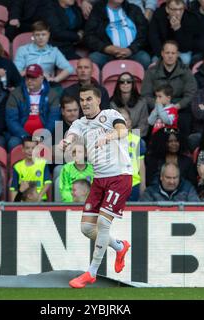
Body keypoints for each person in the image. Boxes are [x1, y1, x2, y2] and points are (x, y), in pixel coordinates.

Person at [59, 84, 132, 289]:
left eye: (89, 99)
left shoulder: (110, 114)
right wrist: (66, 142)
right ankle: (120, 246)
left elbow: (122, 130)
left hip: (119, 176)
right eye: (82, 100)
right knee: (87, 228)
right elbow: (72, 134)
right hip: (99, 180)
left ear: (98, 100)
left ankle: (91, 272)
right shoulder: (80, 123)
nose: (85, 103)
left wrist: (108, 136)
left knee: (102, 223)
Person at [141, 40, 197, 145]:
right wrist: (159, 107)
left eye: (173, 53)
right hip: (157, 107)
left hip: (179, 108)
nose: (170, 56)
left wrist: (177, 106)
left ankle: (183, 149)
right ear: (162, 53)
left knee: (185, 119)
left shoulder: (185, 71)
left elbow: (191, 93)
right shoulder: (152, 71)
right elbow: (145, 95)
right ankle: (152, 149)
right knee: (149, 119)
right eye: (167, 53)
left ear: (177, 55)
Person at [6, 63, 61, 151]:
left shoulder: (52, 94)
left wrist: (42, 136)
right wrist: (25, 136)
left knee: (52, 144)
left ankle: (44, 165)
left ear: (42, 78)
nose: (30, 81)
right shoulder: (15, 94)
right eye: (28, 77)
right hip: (21, 135)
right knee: (13, 143)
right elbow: (11, 120)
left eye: (33, 78)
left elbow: (54, 119)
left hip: (44, 134)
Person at [84, 0, 151, 69]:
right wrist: (107, 48)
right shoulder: (98, 10)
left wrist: (131, 49)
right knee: (94, 58)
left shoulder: (134, 9)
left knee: (144, 58)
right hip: (107, 53)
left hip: (133, 52)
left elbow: (144, 33)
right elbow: (89, 36)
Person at [13, 20, 74, 86]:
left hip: (45, 84)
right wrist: (34, 72)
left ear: (48, 35)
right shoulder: (23, 49)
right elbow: (15, 72)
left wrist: (54, 80)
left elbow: (69, 68)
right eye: (37, 35)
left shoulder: (54, 51)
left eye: (43, 34)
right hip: (26, 82)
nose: (40, 37)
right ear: (33, 35)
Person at [148, 0, 197, 65]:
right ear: (167, 9)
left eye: (181, 9)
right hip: (162, 51)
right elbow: (154, 38)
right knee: (155, 61)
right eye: (174, 9)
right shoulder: (158, 15)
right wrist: (164, 54)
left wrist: (178, 29)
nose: (178, 13)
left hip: (181, 51)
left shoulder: (189, 17)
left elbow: (186, 47)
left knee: (185, 59)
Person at [10, 137, 52, 202]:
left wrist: (39, 197)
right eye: (27, 148)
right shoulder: (17, 167)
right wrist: (15, 203)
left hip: (39, 199)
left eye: (33, 148)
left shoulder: (43, 164)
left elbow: (47, 183)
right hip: (22, 201)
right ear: (23, 149)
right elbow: (14, 189)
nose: (30, 151)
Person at [110, 72, 149, 137]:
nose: (125, 83)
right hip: (117, 137)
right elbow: (111, 125)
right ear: (118, 84)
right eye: (122, 81)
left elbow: (144, 126)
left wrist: (130, 135)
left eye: (128, 81)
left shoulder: (142, 102)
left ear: (133, 84)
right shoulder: (112, 103)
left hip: (136, 137)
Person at [119, 108, 146, 200]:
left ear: (130, 122)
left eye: (125, 120)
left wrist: (143, 185)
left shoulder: (137, 140)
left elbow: (141, 165)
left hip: (133, 184)